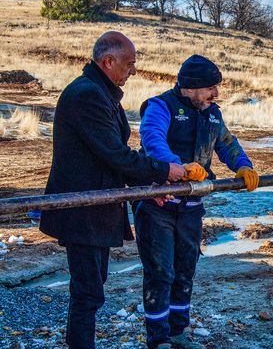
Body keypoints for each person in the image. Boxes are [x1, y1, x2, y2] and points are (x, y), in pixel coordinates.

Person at [39, 31, 188, 349]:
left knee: (91, 289)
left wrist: (149, 188)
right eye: (130, 63)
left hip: (97, 207)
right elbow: (115, 154)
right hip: (82, 210)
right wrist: (163, 171)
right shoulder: (88, 96)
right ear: (108, 61)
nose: (133, 70)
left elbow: (112, 158)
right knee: (88, 293)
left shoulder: (101, 93)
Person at [134, 54, 259, 349]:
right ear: (191, 87)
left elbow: (227, 143)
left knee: (185, 269)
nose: (216, 94)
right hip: (158, 206)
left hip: (191, 208)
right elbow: (152, 140)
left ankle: (178, 332)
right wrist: (179, 166)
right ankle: (158, 339)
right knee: (160, 272)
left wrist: (243, 166)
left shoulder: (212, 112)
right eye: (211, 88)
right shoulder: (160, 107)